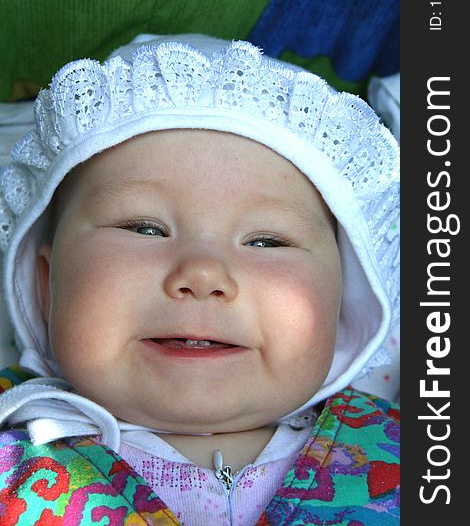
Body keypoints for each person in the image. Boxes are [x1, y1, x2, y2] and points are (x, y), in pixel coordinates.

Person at [0, 34, 400, 525]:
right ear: (46, 287)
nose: (204, 274)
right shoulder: (14, 453)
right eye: (144, 229)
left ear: (344, 300)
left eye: (267, 242)